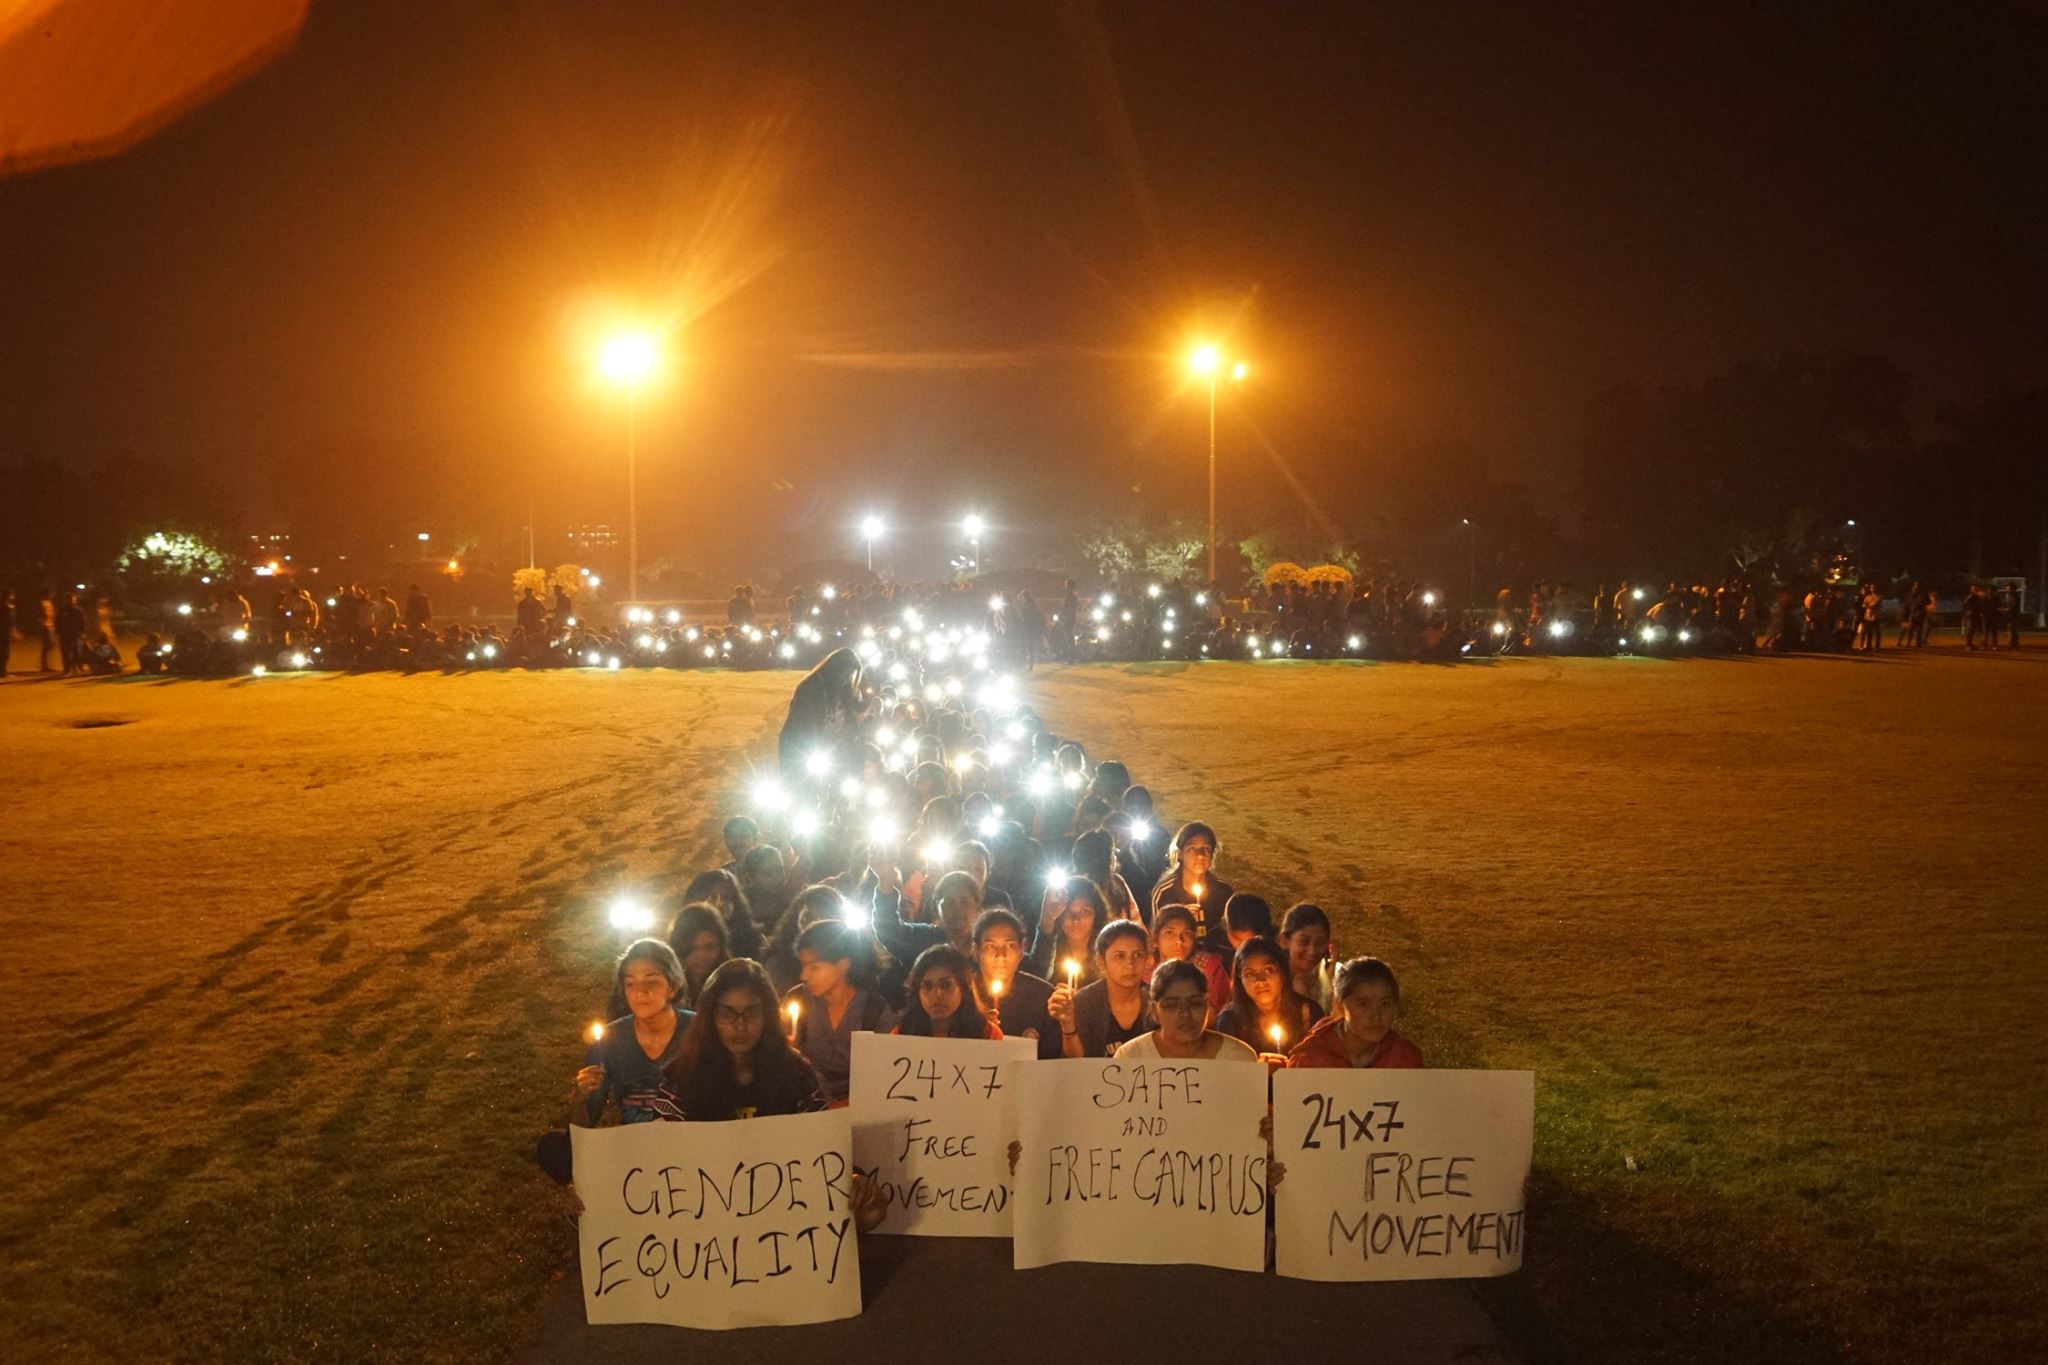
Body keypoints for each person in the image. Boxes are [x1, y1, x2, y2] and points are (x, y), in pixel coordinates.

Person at [535, 939, 695, 1184]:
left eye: (651, 981)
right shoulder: (611, 1041)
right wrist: (579, 1099)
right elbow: (583, 1132)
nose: (640, 992)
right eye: (630, 983)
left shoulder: (697, 1032)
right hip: (635, 1159)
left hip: (692, 1154)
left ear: (672, 987)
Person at [656, 959, 830, 1120]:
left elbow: (818, 1140)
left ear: (767, 1015)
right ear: (710, 1017)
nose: (740, 1026)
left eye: (751, 1012)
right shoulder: (681, 1079)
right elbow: (666, 1144)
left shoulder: (798, 1076)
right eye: (727, 1014)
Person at [788, 919, 896, 1104]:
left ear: (843, 965)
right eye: (803, 966)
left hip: (860, 1109)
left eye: (814, 967)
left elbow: (884, 1078)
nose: (803, 976)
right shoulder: (799, 1001)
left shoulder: (873, 1011)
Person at [1285, 957, 1423, 1070]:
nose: (1376, 1015)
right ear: (1340, 1006)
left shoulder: (1405, 1059)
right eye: (1363, 1004)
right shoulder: (1310, 1059)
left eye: (1385, 1004)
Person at [1048, 920, 1153, 1059]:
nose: (1130, 965)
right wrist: (1068, 1025)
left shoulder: (1158, 1001)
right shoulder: (1084, 1002)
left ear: (1147, 959)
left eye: (1137, 955)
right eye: (1120, 956)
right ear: (1101, 961)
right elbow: (1076, 1064)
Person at [1115, 960, 1258, 1062]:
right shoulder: (1130, 1057)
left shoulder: (1239, 1058)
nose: (1185, 1014)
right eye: (1172, 1005)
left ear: (1206, 1005)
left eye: (1195, 1004)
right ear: (1154, 1010)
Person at [1214, 936, 1323, 1061]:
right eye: (1249, 974)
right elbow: (1231, 1073)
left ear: (1282, 971)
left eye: (1268, 970)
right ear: (1239, 978)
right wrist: (1259, 1070)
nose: (1260, 981)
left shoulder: (1310, 1012)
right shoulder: (1229, 1020)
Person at [971, 907, 1060, 1058]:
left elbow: (1053, 1058)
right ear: (976, 951)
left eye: (1010, 945)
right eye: (991, 946)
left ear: (1021, 950)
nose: (1001, 955)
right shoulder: (963, 993)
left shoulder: (1042, 996)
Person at [779, 647, 865, 777]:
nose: (847, 679)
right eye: (845, 674)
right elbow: (802, 722)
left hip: (832, 752)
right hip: (804, 749)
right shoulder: (811, 688)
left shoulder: (847, 691)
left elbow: (853, 717)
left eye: (850, 676)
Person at [1150, 821, 1233, 948]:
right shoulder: (1164, 892)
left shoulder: (1223, 892)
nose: (1200, 855)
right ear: (1180, 854)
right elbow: (1156, 939)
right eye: (1192, 849)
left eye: (1206, 849)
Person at [895, 944, 1002, 1040]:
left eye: (946, 985)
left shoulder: (987, 1035)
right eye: (927, 986)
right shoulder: (901, 1034)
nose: (936, 994)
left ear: (964, 988)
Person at [1027, 875, 1108, 987]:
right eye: (1069, 912)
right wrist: (1047, 918)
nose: (1076, 920)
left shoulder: (1108, 950)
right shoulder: (1048, 949)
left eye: (1085, 911)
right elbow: (1038, 976)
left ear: (1097, 915)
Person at [682, 867, 763, 960]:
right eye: (712, 897)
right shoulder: (682, 940)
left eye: (725, 897)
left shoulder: (752, 939)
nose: (719, 904)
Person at [665, 903, 730, 1011]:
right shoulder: (667, 985)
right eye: (693, 948)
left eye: (710, 947)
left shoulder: (733, 984)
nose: (702, 956)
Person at [1279, 903, 1336, 1012]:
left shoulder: (1331, 976)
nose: (1312, 950)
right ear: (1285, 941)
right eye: (1304, 941)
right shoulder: (1271, 981)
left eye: (1320, 942)